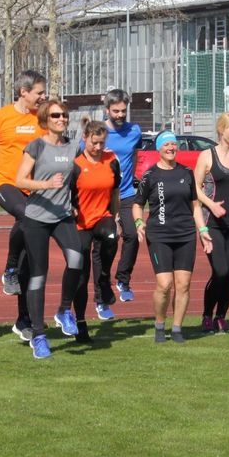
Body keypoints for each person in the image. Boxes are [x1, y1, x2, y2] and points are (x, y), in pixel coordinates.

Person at [0, 70, 47, 341]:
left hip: (33, 188)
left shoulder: (42, 118)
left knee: (29, 258)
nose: (43, 97)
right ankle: (8, 269)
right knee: (26, 215)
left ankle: (24, 320)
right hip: (6, 184)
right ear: (23, 92)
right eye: (39, 92)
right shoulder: (1, 116)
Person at [15, 99, 83, 359]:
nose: (61, 119)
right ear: (45, 119)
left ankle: (64, 310)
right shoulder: (36, 146)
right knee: (38, 276)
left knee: (76, 259)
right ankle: (38, 335)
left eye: (64, 115)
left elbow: (81, 173)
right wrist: (46, 185)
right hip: (37, 217)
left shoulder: (72, 146)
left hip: (62, 216)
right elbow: (20, 180)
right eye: (56, 115)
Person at [133, 130, 212, 343]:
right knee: (165, 284)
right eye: (166, 144)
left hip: (185, 234)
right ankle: (160, 325)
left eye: (173, 144)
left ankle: (177, 329)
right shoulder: (150, 175)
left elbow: (195, 206)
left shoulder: (186, 173)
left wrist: (203, 231)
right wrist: (139, 223)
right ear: (159, 148)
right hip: (159, 235)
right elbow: (137, 205)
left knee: (183, 284)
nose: (171, 148)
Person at [194, 112, 229, 333]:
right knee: (220, 271)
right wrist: (212, 205)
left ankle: (221, 316)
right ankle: (207, 314)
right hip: (213, 223)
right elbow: (195, 188)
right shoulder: (207, 156)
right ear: (221, 130)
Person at [70, 118, 121, 343]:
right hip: (80, 224)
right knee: (80, 276)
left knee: (111, 235)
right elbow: (66, 195)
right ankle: (80, 323)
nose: (99, 147)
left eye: (102, 143)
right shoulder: (75, 165)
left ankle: (104, 281)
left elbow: (115, 193)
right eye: (94, 142)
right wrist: (69, 209)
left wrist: (116, 217)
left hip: (103, 217)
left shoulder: (111, 161)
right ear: (85, 139)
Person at [99, 89, 142, 302]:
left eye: (123, 110)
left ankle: (123, 279)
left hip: (126, 194)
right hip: (103, 198)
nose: (120, 115)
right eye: (115, 111)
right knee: (109, 240)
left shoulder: (135, 130)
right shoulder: (98, 132)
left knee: (133, 235)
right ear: (107, 110)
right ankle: (103, 283)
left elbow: (134, 155)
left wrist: (130, 178)